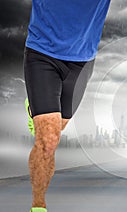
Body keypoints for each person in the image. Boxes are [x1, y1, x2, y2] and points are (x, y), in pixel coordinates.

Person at [23, 1, 111, 211]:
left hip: (82, 61)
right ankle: (38, 206)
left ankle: (33, 108)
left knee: (59, 125)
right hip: (42, 52)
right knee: (49, 140)